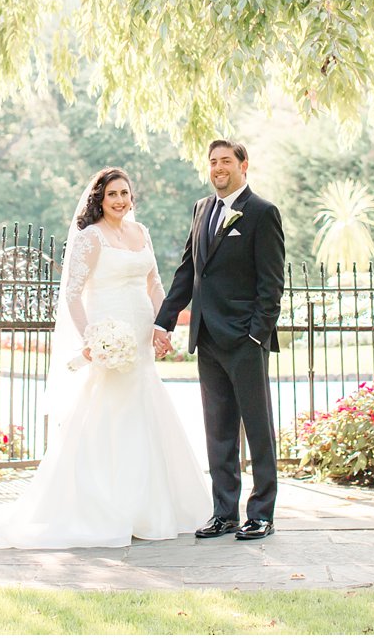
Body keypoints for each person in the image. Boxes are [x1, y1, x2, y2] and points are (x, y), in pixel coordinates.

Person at [0, 168, 210, 549]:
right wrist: (92, 338)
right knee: (107, 416)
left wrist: (164, 327)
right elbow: (73, 295)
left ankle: (152, 509)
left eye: (125, 193)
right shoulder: (91, 238)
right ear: (100, 199)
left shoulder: (141, 234)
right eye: (112, 194)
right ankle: (104, 507)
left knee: (146, 411)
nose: (120, 200)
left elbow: (155, 284)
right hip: (108, 335)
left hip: (140, 336)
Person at [153, 138, 285, 541]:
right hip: (207, 338)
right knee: (219, 430)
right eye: (213, 162)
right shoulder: (201, 209)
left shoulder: (262, 213)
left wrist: (255, 334)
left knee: (257, 429)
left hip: (245, 340)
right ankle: (224, 512)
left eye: (226, 161)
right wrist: (165, 321)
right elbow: (188, 272)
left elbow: (272, 284)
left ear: (244, 165)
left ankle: (261, 513)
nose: (218, 168)